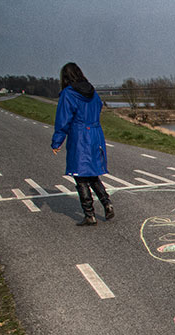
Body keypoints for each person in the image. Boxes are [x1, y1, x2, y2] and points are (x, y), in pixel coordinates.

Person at [51, 62, 113, 226]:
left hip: (80, 135)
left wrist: (57, 141)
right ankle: (107, 203)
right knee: (92, 173)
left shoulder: (68, 93)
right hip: (95, 133)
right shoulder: (92, 91)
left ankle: (89, 214)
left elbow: (63, 119)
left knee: (80, 176)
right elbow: (99, 106)